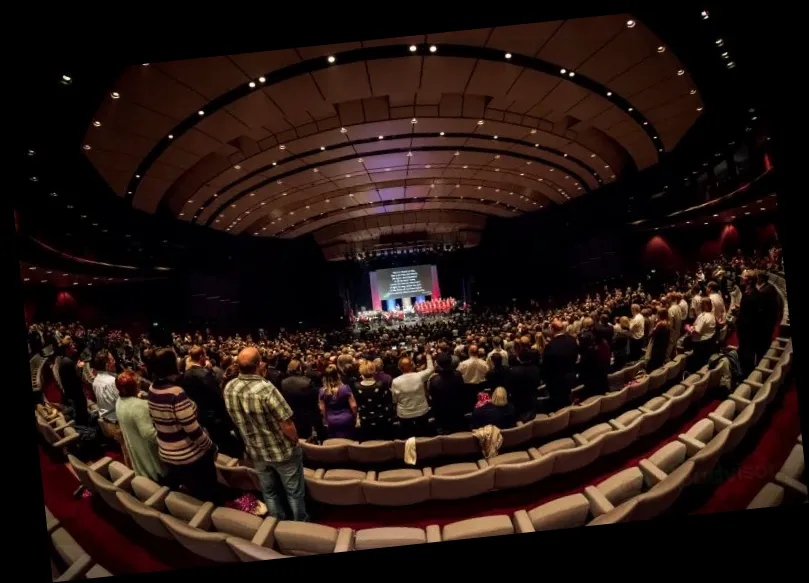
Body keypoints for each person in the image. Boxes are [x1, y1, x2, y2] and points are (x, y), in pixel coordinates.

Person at [224, 347, 308, 522]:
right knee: (294, 492)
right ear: (259, 364)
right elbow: (286, 423)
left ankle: (276, 522)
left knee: (269, 491)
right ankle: (300, 523)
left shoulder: (229, 386)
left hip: (255, 451)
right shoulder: (265, 388)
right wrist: (295, 441)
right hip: (281, 451)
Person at [148, 347, 221, 504]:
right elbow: (193, 431)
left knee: (191, 496)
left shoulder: (152, 388)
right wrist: (212, 447)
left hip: (167, 453)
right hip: (188, 457)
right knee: (209, 498)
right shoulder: (176, 393)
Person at [183, 346, 242, 458]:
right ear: (201, 356)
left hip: (200, 414)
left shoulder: (186, 374)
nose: (206, 357)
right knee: (228, 444)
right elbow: (217, 397)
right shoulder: (205, 374)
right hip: (215, 416)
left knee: (217, 441)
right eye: (204, 355)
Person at [115, 370, 166, 482]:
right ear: (133, 386)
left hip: (136, 448)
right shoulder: (139, 406)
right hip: (150, 455)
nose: (139, 381)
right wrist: (167, 440)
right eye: (136, 380)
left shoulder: (119, 401)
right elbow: (149, 433)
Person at [390, 347, 434, 438]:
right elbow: (431, 368)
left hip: (404, 414)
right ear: (412, 365)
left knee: (408, 438)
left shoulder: (395, 381)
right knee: (423, 436)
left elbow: (394, 400)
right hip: (422, 411)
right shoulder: (419, 376)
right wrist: (428, 354)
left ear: (400, 368)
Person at [280, 359, 324, 442]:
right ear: (300, 369)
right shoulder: (307, 382)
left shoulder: (283, 382)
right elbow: (314, 399)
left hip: (291, 415)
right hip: (306, 416)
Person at [542, 319, 579, 412]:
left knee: (560, 407)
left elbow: (546, 368)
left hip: (557, 382)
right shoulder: (572, 340)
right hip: (572, 377)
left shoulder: (550, 346)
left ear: (552, 329)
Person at [352, 361, 394, 440]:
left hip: (365, 419)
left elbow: (356, 404)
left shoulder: (355, 386)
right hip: (382, 419)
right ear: (374, 370)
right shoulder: (382, 384)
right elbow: (389, 401)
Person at [427, 352, 467, 434]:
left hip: (442, 414)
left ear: (438, 364)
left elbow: (432, 398)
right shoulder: (458, 375)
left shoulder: (433, 380)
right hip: (457, 410)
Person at [318, 365, 358, 439]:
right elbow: (354, 406)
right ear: (337, 376)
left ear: (325, 378)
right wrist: (355, 417)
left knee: (335, 444)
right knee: (349, 442)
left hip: (331, 420)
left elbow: (322, 409)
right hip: (347, 419)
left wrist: (326, 420)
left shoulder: (322, 391)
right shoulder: (345, 388)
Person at [577, 318, 610, 399]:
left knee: (592, 387)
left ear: (585, 325)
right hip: (601, 362)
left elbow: (582, 351)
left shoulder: (584, 336)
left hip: (590, 365)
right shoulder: (599, 333)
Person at [688, 297, 717, 370]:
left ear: (705, 305)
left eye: (701, 304)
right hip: (708, 342)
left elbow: (697, 331)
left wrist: (688, 328)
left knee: (697, 365)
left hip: (700, 344)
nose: (699, 305)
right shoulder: (712, 315)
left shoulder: (703, 316)